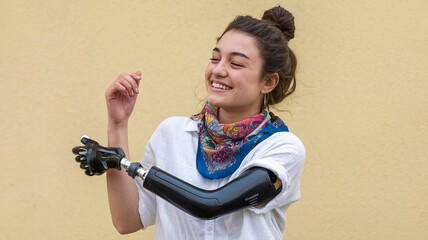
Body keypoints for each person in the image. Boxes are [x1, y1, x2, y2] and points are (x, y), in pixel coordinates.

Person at [102, 5, 304, 239]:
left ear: (268, 82)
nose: (218, 70)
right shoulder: (171, 134)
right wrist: (117, 124)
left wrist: (134, 169)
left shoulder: (283, 148)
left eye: (236, 64)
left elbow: (211, 204)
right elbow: (127, 221)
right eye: (215, 58)